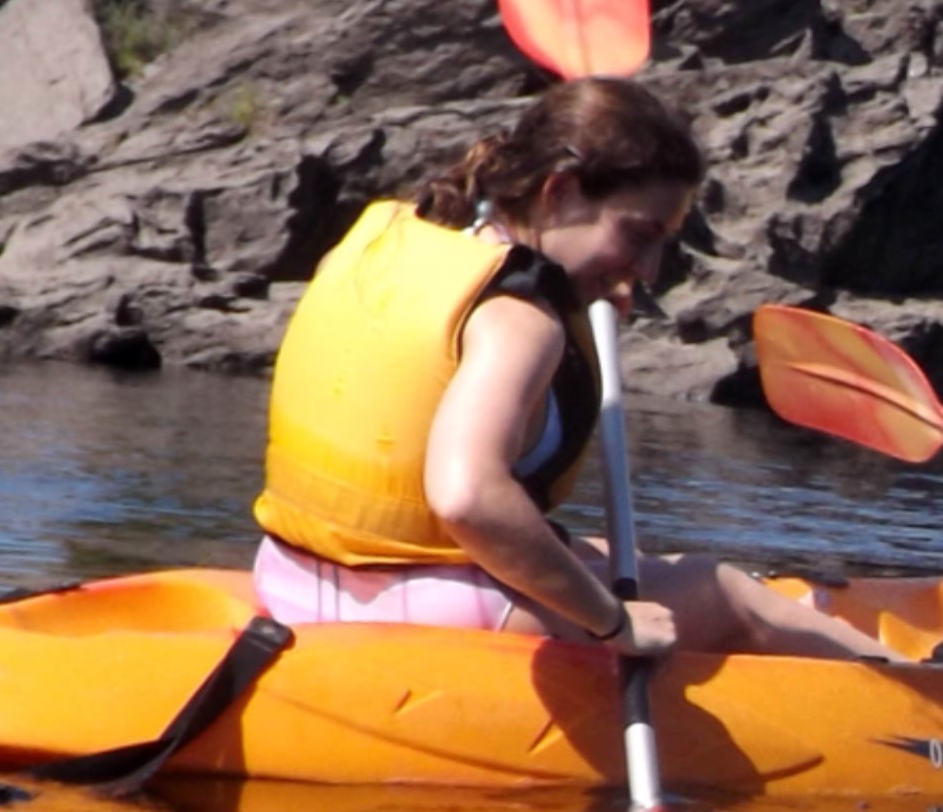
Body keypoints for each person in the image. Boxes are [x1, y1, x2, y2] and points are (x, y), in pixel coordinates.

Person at [253, 77, 891, 659]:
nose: (647, 272)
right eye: (639, 235)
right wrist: (613, 624)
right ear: (558, 192)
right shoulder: (519, 319)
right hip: (411, 613)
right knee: (719, 590)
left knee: (630, 561)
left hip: (292, 578)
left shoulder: (399, 235)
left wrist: (580, 296)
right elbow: (468, 498)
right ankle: (921, 693)